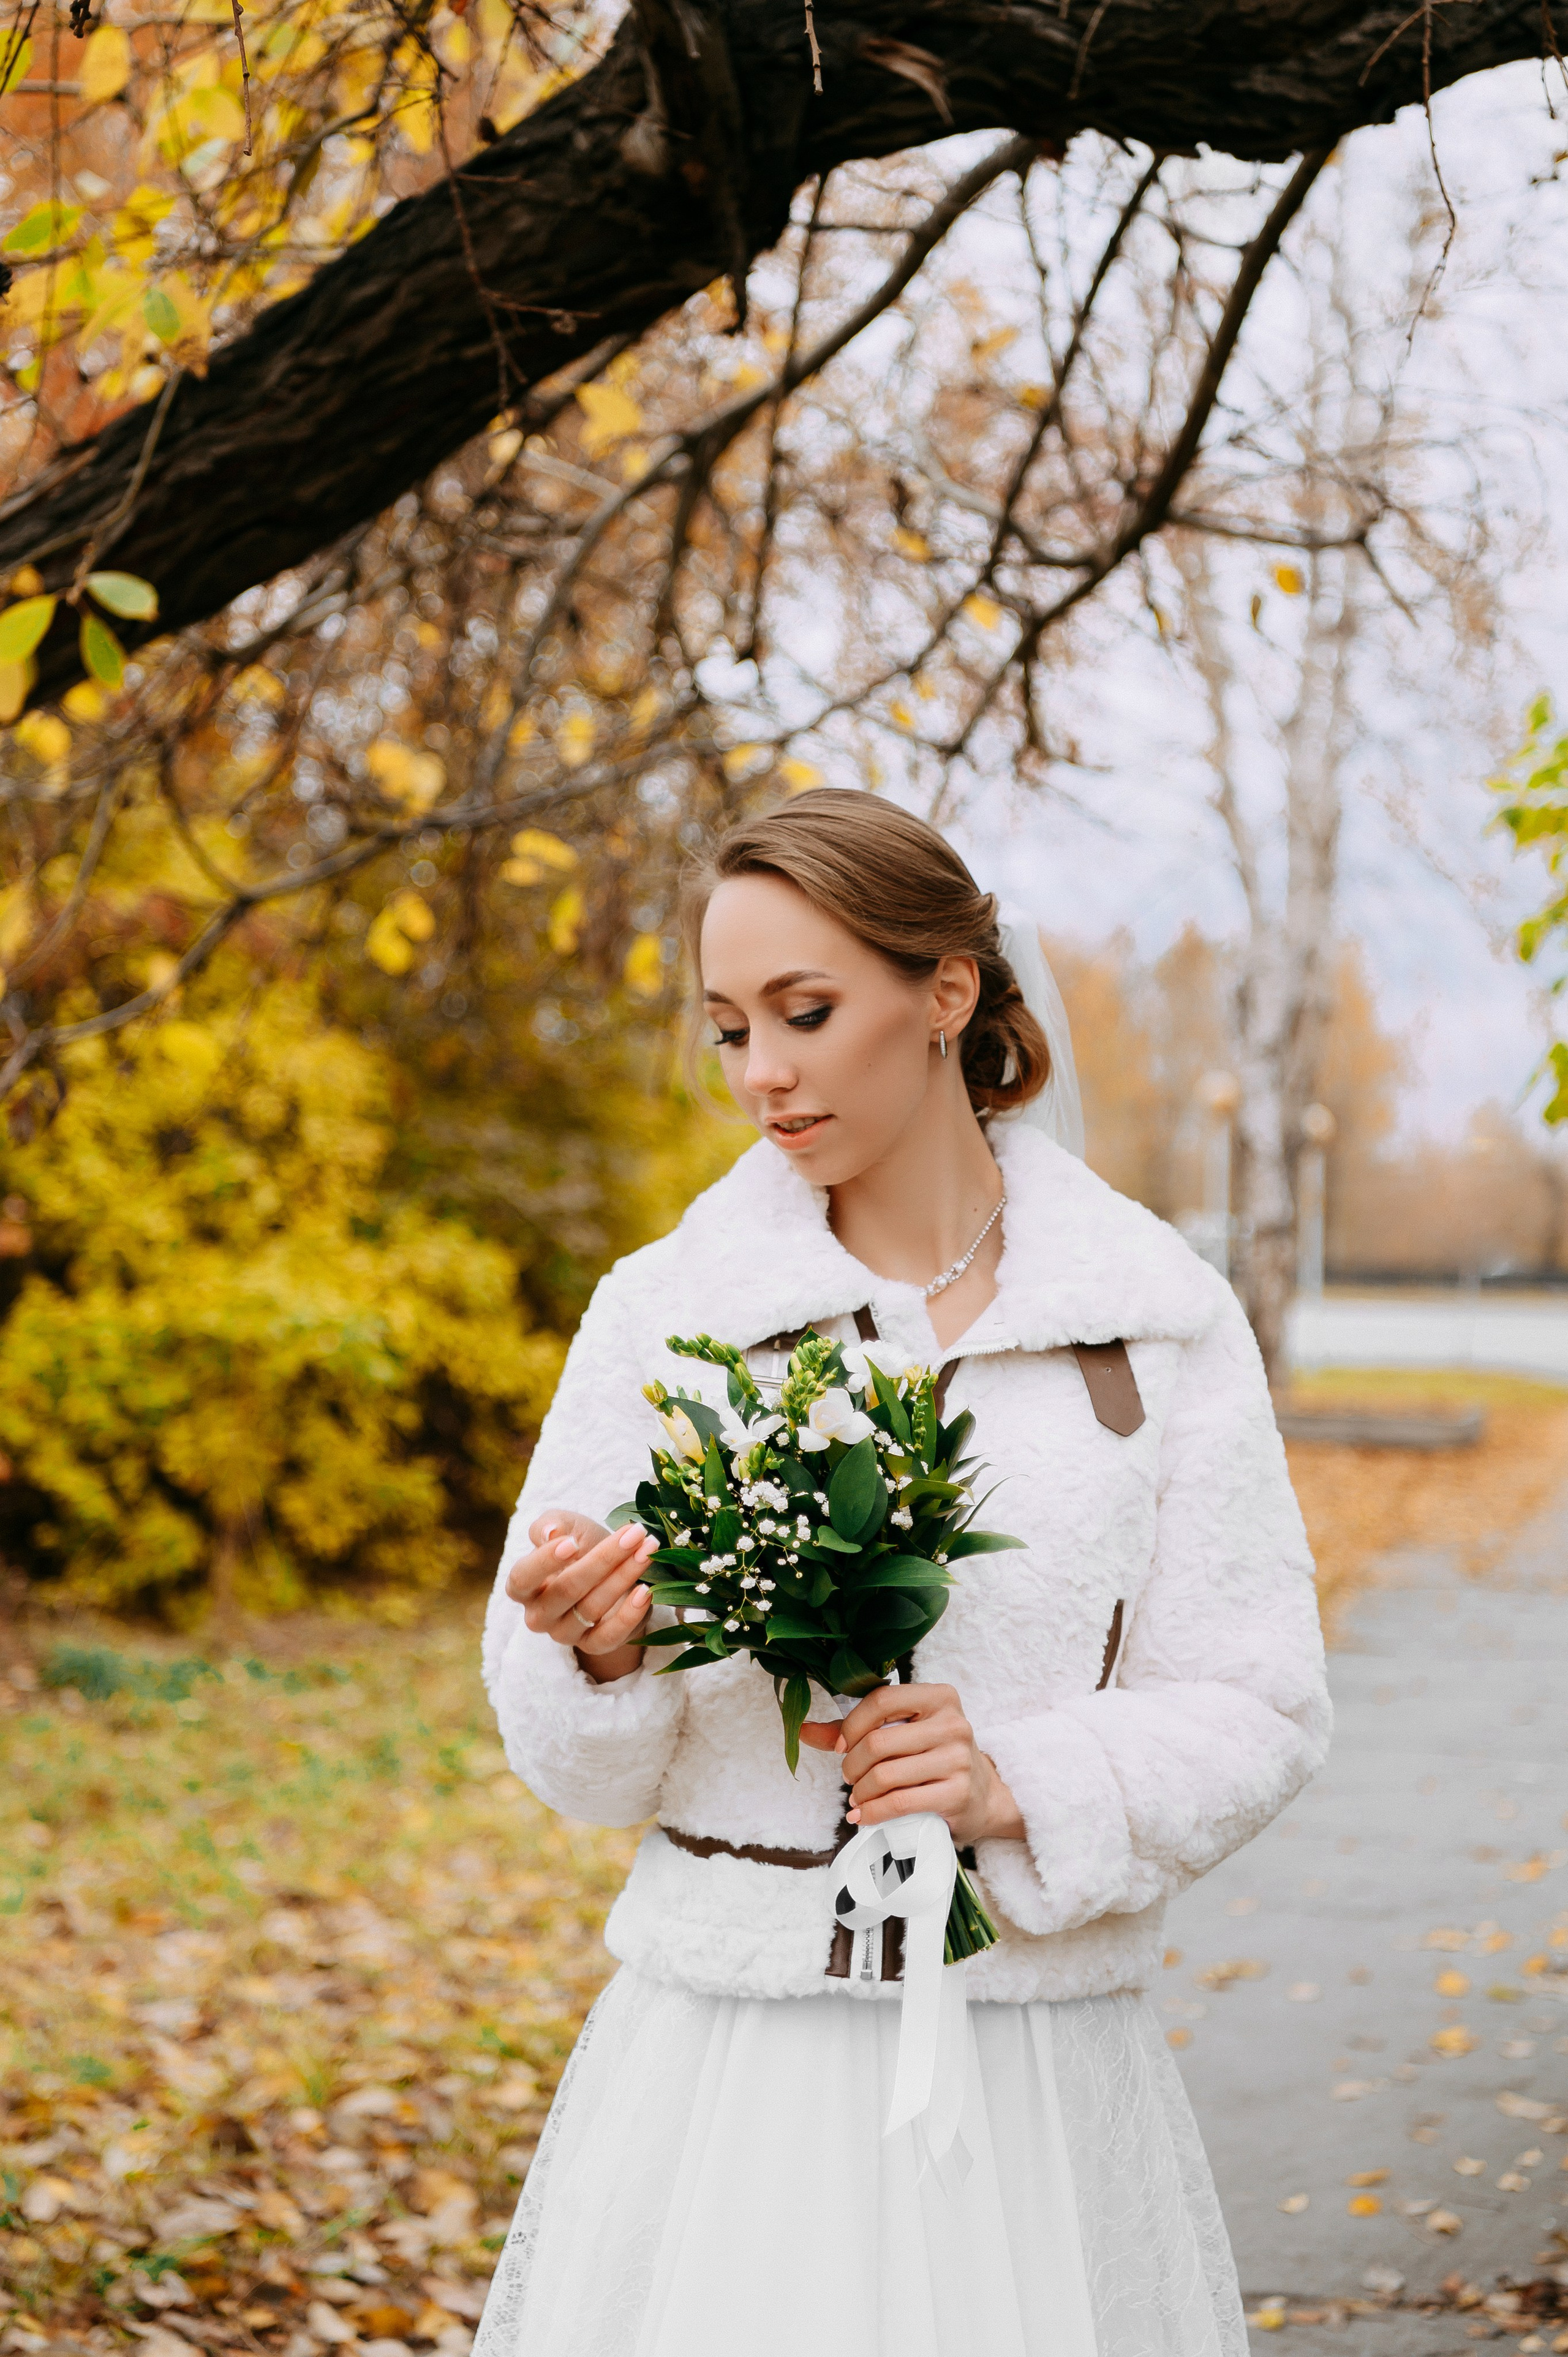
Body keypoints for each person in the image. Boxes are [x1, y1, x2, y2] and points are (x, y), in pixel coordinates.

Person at [474, 791, 1330, 2357]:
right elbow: (571, 1766)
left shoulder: (1151, 1314)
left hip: (1034, 2083)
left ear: (946, 992)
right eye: (729, 1029)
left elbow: (1261, 1699)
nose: (763, 1074)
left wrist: (1016, 1781)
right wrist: (594, 1655)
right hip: (736, 2073)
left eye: (805, 1011)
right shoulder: (670, 1312)